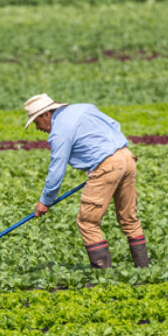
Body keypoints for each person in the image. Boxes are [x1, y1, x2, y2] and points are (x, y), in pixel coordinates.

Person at [25, 93, 148, 269]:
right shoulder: (84, 107)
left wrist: (45, 201)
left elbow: (56, 170)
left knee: (88, 222)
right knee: (129, 218)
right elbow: (114, 125)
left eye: (36, 122)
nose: (38, 128)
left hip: (106, 166)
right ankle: (144, 269)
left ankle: (102, 277)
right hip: (127, 157)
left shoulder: (59, 131)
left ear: (45, 114)